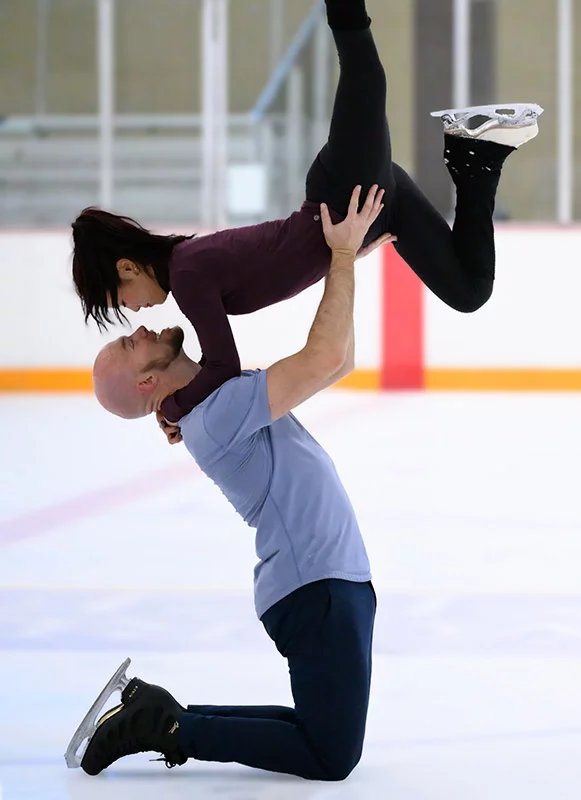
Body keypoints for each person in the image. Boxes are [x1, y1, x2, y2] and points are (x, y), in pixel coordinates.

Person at [71, 0, 542, 425]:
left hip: (343, 197)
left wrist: (171, 408)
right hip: (364, 218)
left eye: (121, 299)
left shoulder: (187, 275)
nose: (134, 311)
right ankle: (473, 158)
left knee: (364, 76)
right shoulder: (187, 271)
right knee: (469, 292)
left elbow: (223, 368)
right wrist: (343, 255)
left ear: (127, 268)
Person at [70, 183, 382, 780]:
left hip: (328, 581)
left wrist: (343, 260)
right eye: (130, 343)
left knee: (322, 737)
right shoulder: (214, 415)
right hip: (315, 586)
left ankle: (163, 717)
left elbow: (337, 361)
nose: (142, 328)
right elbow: (324, 358)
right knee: (331, 755)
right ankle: (167, 727)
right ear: (146, 384)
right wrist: (339, 257)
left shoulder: (212, 404)